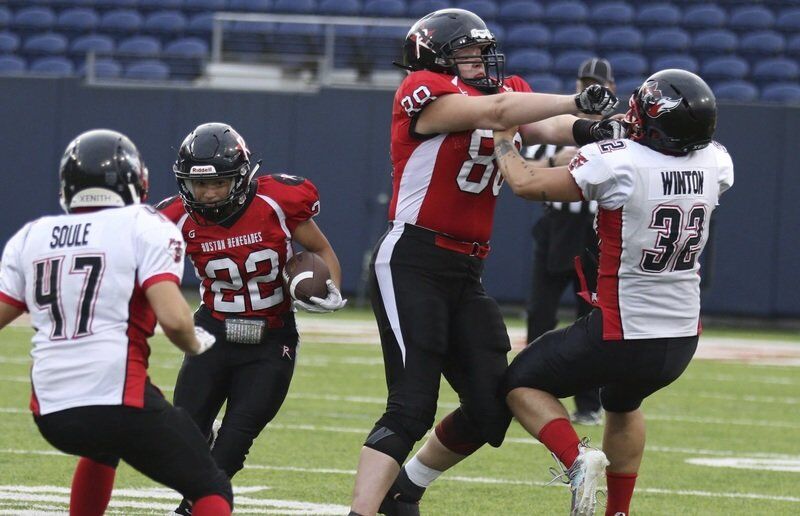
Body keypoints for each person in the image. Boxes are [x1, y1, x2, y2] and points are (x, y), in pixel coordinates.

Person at [349, 8, 624, 516]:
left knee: (491, 404)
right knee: (410, 406)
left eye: (480, 49)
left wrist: (599, 127)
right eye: (466, 50)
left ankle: (404, 493)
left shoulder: (505, 91)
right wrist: (574, 99)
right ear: (435, 56)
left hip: (466, 270)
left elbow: (553, 124)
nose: (478, 58)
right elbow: (497, 113)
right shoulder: (422, 88)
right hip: (413, 258)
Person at [495, 69, 732, 516]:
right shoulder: (716, 161)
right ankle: (618, 512)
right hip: (681, 338)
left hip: (622, 330)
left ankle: (577, 460)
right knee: (623, 402)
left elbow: (525, 183)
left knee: (520, 381)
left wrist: (503, 138)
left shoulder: (619, 160)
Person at [0, 129, 233, 516]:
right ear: (137, 180)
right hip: (116, 396)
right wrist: (196, 344)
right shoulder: (144, 225)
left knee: (103, 448)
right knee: (210, 489)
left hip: (51, 411)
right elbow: (175, 321)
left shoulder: (31, 236)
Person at [157, 122, 346, 515]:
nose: (208, 193)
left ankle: (190, 509)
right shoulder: (174, 219)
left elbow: (321, 249)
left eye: (219, 183)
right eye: (198, 184)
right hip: (212, 333)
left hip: (271, 340)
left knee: (234, 442)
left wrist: (332, 289)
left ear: (241, 176)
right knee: (183, 437)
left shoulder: (278, 201)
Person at [525, 58, 618, 427]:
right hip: (556, 226)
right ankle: (527, 388)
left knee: (593, 320)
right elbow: (525, 148)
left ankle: (589, 403)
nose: (591, 89)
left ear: (611, 88)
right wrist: (554, 156)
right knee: (540, 311)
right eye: (585, 83)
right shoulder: (560, 121)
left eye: (597, 84)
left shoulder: (618, 128)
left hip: (595, 230)